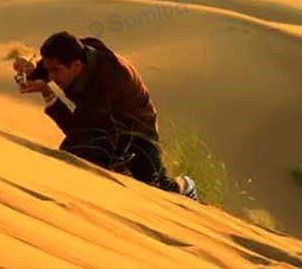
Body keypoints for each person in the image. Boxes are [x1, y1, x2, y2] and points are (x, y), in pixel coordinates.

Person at [13, 30, 199, 201]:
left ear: (77, 66)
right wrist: (26, 68)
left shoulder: (108, 78)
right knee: (77, 153)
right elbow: (43, 70)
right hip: (103, 127)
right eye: (49, 70)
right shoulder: (74, 53)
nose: (52, 76)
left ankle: (185, 185)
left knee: (158, 188)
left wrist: (47, 93)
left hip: (137, 133)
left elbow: (77, 129)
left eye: (56, 71)